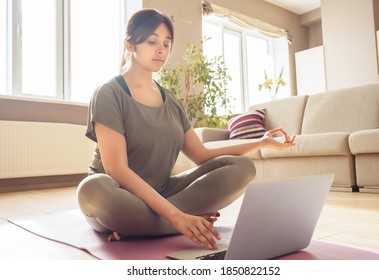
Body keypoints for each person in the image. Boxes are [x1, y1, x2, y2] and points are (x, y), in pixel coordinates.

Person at [77, 8, 296, 250]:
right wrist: (176, 216)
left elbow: (201, 155)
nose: (162, 50)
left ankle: (141, 226)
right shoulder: (109, 93)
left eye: (167, 43)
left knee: (241, 167)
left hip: (163, 192)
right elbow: (116, 170)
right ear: (130, 45)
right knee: (92, 190)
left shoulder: (171, 101)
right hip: (117, 195)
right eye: (152, 41)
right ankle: (175, 220)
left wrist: (261, 142)